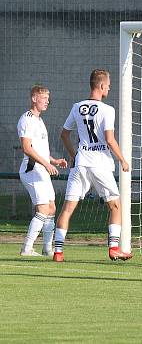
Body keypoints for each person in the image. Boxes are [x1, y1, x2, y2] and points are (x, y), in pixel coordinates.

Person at [54, 70, 131, 262]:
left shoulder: (77, 107)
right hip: (100, 164)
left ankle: (58, 252)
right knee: (115, 206)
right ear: (101, 86)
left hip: (80, 164)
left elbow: (64, 134)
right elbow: (109, 139)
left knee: (67, 208)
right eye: (108, 85)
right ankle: (114, 248)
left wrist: (73, 155)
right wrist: (122, 159)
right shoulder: (107, 110)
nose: (110, 88)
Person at [17, 85, 68, 256]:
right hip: (31, 170)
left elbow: (40, 149)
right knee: (43, 210)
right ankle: (26, 248)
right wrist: (46, 164)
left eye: (48, 98)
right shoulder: (27, 119)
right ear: (34, 98)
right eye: (44, 98)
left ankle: (47, 248)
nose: (47, 101)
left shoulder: (39, 120)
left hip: (42, 169)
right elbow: (26, 148)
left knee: (52, 207)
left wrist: (54, 160)